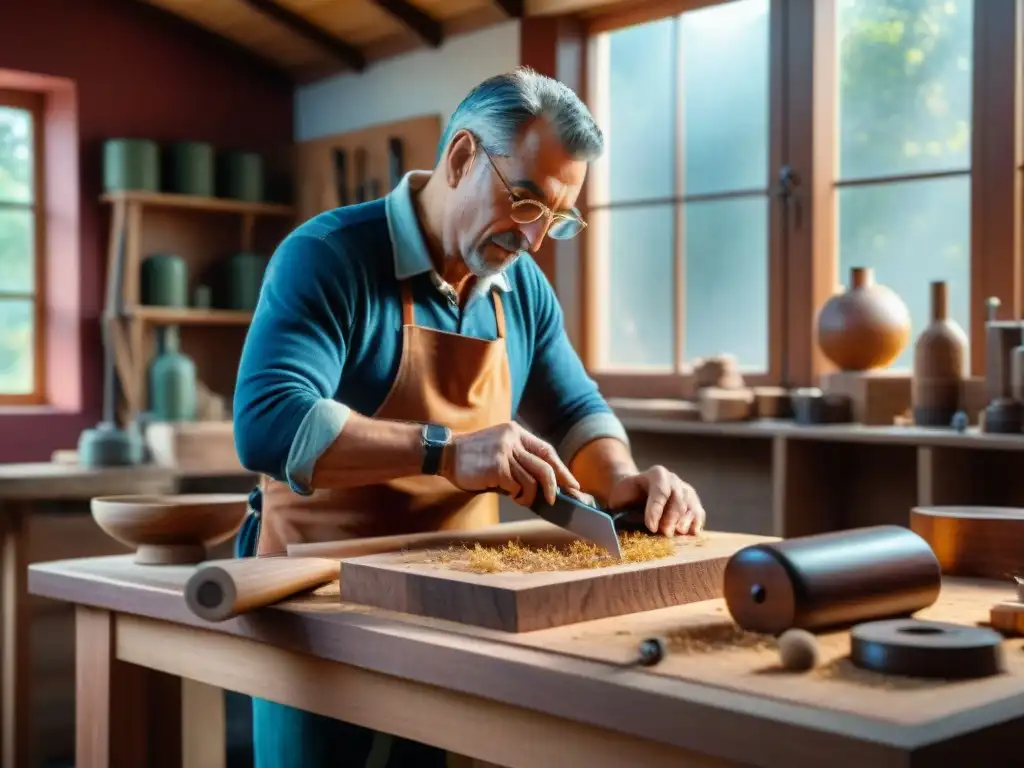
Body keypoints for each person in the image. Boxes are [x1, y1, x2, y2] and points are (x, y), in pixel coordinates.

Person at [232, 66, 707, 768]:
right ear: (460, 158)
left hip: (456, 601)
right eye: (525, 202)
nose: (536, 238)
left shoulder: (521, 290)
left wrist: (622, 480)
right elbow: (268, 422)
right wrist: (446, 452)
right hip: (319, 597)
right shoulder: (327, 258)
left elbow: (574, 405)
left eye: (559, 218)